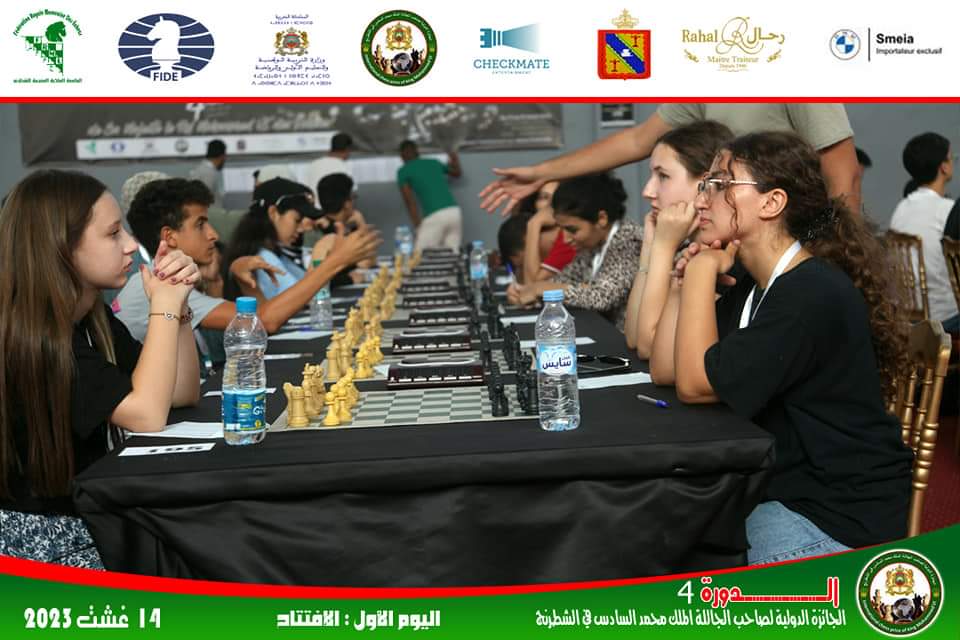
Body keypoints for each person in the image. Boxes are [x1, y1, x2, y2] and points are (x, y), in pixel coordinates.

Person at [657, 131, 912, 565]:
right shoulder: (755, 283)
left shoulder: (808, 293)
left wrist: (700, 269)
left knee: (681, 556)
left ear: (772, 203)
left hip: (833, 515)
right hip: (783, 489)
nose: (702, 199)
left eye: (721, 184)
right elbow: (667, 368)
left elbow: (694, 385)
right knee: (663, 531)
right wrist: (683, 284)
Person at [0, 170, 201, 568]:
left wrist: (176, 308)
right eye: (112, 234)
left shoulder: (92, 318)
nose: (131, 245)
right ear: (60, 246)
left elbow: (180, 392)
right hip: (39, 541)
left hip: (88, 516)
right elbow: (147, 415)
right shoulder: (34, 339)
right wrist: (163, 305)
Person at [118, 178, 379, 346]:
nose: (213, 234)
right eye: (200, 224)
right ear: (169, 237)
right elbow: (266, 321)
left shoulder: (175, 277)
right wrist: (335, 262)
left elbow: (257, 328)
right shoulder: (161, 282)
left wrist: (244, 284)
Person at [480, 103, 861, 216]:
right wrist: (541, 173)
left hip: (794, 238)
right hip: (737, 237)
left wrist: (836, 261)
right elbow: (636, 140)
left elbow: (844, 173)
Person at [624, 120, 734, 357]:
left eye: (663, 176)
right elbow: (632, 336)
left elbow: (648, 346)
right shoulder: (686, 245)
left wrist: (663, 246)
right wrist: (650, 245)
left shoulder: (725, 256)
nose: (647, 191)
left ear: (705, 184)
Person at [507, 173, 643, 330]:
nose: (566, 239)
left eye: (572, 230)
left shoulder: (629, 240)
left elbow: (602, 296)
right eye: (562, 229)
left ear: (601, 219)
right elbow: (561, 281)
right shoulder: (593, 245)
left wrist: (540, 289)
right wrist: (525, 291)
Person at [222, 177, 380, 301]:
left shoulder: (279, 255)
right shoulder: (262, 258)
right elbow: (303, 300)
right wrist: (321, 254)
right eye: (297, 220)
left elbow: (306, 284)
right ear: (274, 213)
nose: (301, 228)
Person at [889, 132, 958, 332]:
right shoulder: (948, 211)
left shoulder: (900, 209)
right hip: (946, 317)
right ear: (944, 167)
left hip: (909, 319)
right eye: (951, 158)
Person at [397, 140, 463, 250]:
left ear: (402, 155)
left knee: (420, 254)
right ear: (417, 152)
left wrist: (418, 226)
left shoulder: (403, 171)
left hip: (435, 215)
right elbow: (457, 172)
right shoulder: (434, 162)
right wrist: (453, 156)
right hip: (454, 212)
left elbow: (409, 201)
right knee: (452, 255)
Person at [304, 132, 355, 202]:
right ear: (348, 149)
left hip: (311, 207)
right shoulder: (344, 168)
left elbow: (306, 192)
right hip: (333, 208)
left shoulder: (313, 165)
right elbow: (350, 195)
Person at [189, 139, 227, 208]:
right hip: (210, 213)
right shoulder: (208, 173)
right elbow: (203, 200)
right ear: (222, 156)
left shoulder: (201, 169)